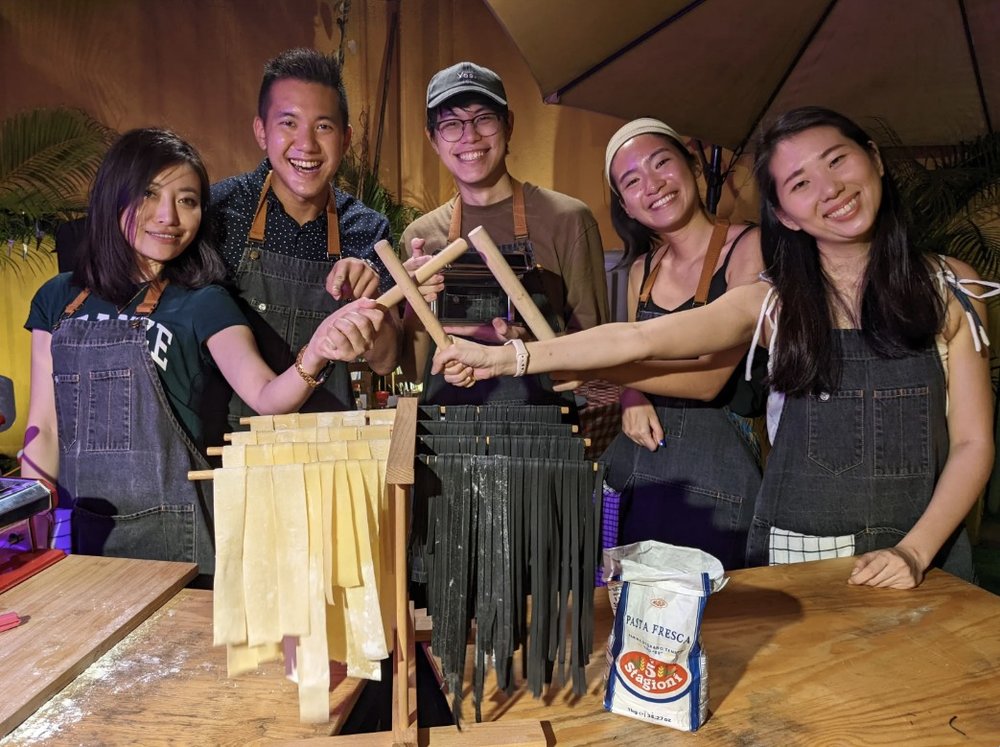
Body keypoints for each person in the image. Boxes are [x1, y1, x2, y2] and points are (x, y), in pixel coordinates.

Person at [433, 106, 996, 589]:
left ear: (873, 158)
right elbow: (640, 336)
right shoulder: (773, 304)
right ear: (786, 215)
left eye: (837, 160)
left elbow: (973, 442)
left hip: (928, 551)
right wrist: (508, 358)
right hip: (801, 548)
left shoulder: (952, 289)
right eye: (799, 183)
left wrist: (915, 552)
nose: (830, 190)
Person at [20, 128, 388, 575]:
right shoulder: (58, 297)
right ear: (112, 197)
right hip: (82, 533)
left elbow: (268, 398)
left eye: (187, 200)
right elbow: (45, 428)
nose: (168, 216)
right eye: (149, 195)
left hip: (177, 535)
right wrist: (31, 530)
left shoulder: (203, 300)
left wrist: (318, 349)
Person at [592, 118, 765, 568]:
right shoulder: (640, 272)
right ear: (626, 206)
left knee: (719, 623)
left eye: (661, 163)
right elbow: (632, 356)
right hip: (638, 475)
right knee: (632, 619)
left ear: (692, 164)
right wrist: (631, 394)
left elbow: (709, 379)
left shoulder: (750, 246)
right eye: (632, 182)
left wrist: (604, 371)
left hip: (718, 485)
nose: (652, 185)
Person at [209, 48, 399, 428]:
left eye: (323, 126)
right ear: (261, 130)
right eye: (289, 123)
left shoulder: (366, 230)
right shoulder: (220, 212)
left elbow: (387, 360)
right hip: (231, 446)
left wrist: (369, 304)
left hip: (327, 448)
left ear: (345, 139)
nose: (307, 145)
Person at [399, 61, 609, 405]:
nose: (470, 136)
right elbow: (413, 369)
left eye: (484, 118)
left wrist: (529, 346)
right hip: (448, 432)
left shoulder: (567, 219)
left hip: (542, 430)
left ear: (508, 124)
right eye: (451, 124)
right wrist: (413, 302)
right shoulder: (421, 236)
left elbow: (598, 355)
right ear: (432, 139)